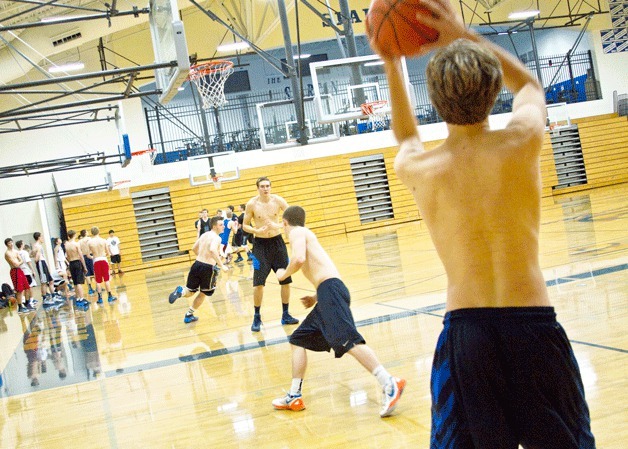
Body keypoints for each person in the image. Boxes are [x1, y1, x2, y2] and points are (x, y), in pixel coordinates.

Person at [373, 1, 596, 447]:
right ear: (494, 90)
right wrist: (461, 33)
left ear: (434, 102)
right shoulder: (521, 141)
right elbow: (530, 84)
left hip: (467, 336)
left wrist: (393, 62)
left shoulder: (421, 167)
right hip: (532, 326)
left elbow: (406, 135)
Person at [271, 206, 406, 417]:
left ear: (286, 223)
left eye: (283, 225)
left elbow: (298, 259)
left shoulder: (298, 232)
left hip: (330, 292)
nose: (283, 229)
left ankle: (389, 382)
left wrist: (282, 274)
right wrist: (316, 297)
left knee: (348, 341)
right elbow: (325, 271)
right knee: (298, 339)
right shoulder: (307, 236)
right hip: (328, 292)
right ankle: (294, 395)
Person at [242, 176, 298, 331]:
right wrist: (255, 230)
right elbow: (245, 226)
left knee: (285, 280)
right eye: (262, 186)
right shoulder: (252, 204)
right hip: (260, 246)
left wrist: (277, 225)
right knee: (258, 283)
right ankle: (257, 317)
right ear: (258, 188)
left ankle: (286, 314)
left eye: (267, 186)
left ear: (270, 187)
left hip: (278, 244)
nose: (265, 188)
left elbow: (293, 219)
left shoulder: (278, 201)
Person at [168, 216, 228, 323]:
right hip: (208, 269)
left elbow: (194, 248)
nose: (223, 226)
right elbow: (212, 250)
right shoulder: (217, 238)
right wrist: (221, 264)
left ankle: (180, 291)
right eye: (221, 225)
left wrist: (201, 257)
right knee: (204, 293)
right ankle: (189, 314)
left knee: (190, 291)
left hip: (197, 264)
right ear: (214, 226)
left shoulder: (204, 235)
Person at [4, 238, 35, 313]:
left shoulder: (15, 251)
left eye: (12, 242)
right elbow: (14, 263)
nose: (11, 244)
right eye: (9, 243)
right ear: (6, 245)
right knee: (19, 290)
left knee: (27, 287)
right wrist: (18, 262)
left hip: (19, 270)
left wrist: (18, 262)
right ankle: (20, 306)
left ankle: (27, 303)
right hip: (14, 271)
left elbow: (21, 261)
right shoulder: (7, 253)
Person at [88, 227, 117, 304]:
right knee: (106, 279)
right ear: (98, 232)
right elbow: (108, 252)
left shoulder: (90, 242)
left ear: (91, 233)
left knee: (98, 280)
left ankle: (100, 298)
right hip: (103, 259)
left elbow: (88, 255)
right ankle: (110, 296)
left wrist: (93, 257)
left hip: (96, 260)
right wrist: (104, 255)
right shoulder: (104, 240)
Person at [65, 230, 89, 308]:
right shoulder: (76, 244)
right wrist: (84, 266)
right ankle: (82, 298)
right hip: (77, 262)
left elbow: (67, 256)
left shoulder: (67, 245)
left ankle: (78, 298)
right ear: (74, 235)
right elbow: (81, 255)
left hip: (71, 263)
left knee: (75, 282)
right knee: (79, 282)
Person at [79, 229, 96, 295]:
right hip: (91, 255)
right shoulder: (90, 239)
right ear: (85, 233)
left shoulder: (79, 242)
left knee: (87, 273)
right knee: (95, 272)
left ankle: (90, 288)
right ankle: (98, 287)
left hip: (83, 257)